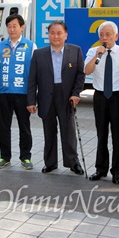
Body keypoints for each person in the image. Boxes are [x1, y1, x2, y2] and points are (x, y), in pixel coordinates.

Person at [27, 21, 85, 175]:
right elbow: (32, 79)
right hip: (46, 96)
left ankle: (73, 162)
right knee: (49, 131)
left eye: (59, 33)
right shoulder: (39, 54)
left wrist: (76, 93)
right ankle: (50, 163)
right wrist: (31, 101)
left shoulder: (75, 51)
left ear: (65, 35)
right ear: (48, 35)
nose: (55, 36)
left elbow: (80, 74)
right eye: (52, 33)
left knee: (69, 132)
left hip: (66, 96)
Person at [84, 21, 119, 184]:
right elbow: (87, 71)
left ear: (116, 36)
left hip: (117, 97)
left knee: (118, 136)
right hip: (99, 96)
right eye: (102, 35)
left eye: (108, 35)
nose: (104, 38)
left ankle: (117, 171)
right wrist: (97, 55)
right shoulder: (94, 51)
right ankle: (101, 168)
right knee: (101, 134)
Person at [0, 14, 35, 170]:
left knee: (24, 126)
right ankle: (4, 157)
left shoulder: (30, 46)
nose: (12, 29)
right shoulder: (0, 46)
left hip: (23, 93)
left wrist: (32, 96)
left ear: (22, 27)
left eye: (15, 26)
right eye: (9, 26)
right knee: (3, 126)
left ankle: (25, 157)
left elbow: (34, 73)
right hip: (4, 92)